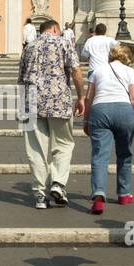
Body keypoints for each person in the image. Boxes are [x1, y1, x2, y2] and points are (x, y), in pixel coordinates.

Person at [18, 18, 84, 209]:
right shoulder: (64, 42)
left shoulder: (29, 47)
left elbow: (21, 79)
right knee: (63, 144)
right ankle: (57, 183)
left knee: (35, 150)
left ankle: (39, 195)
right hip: (59, 100)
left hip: (31, 101)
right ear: (55, 28)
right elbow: (76, 71)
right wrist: (81, 97)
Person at [83, 44, 134, 213]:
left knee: (99, 156)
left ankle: (98, 196)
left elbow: (89, 97)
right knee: (125, 153)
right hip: (123, 111)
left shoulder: (97, 70)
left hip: (100, 110)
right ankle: (124, 194)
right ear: (126, 57)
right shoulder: (130, 72)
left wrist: (85, 120)